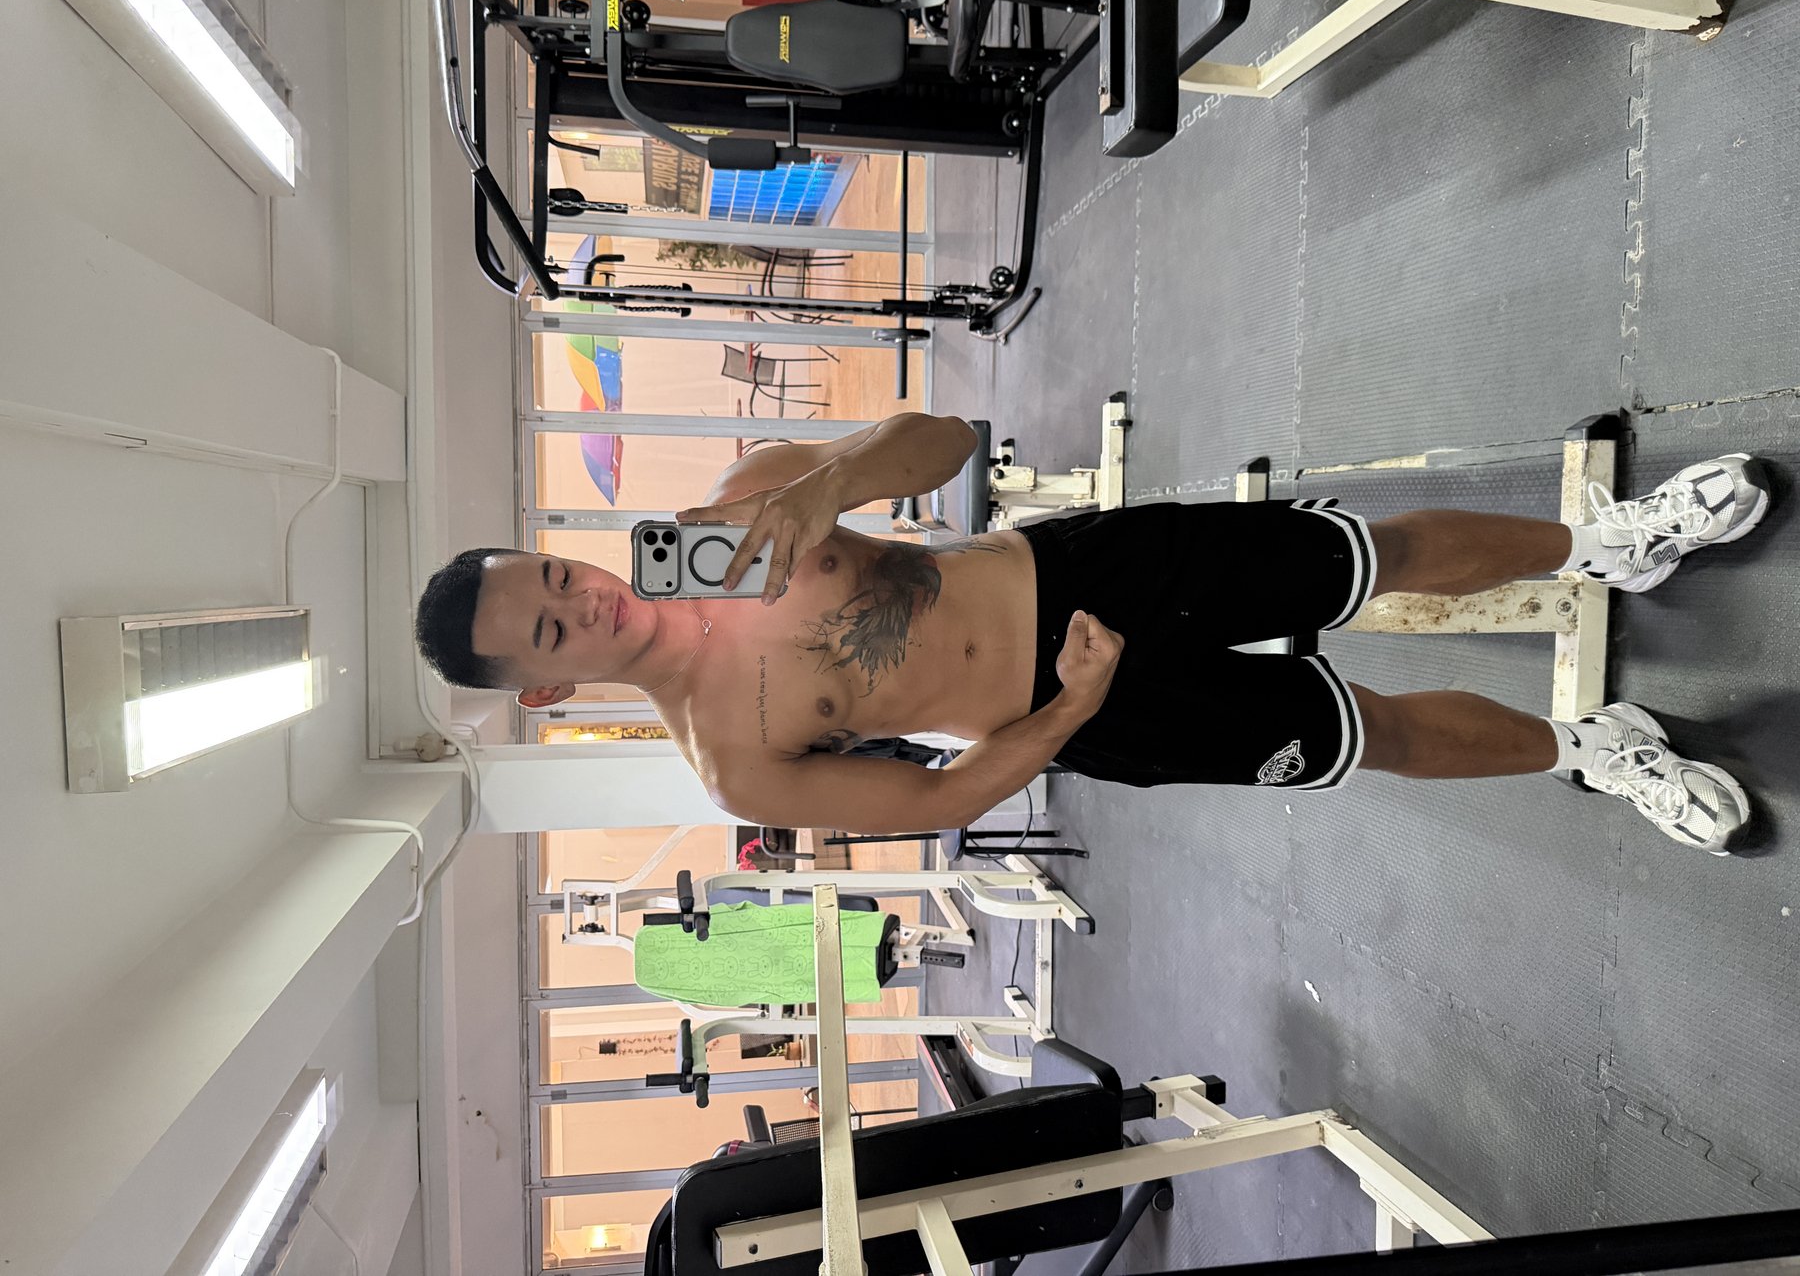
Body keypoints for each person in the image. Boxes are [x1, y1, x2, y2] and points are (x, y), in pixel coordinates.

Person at [414, 412, 1770, 855]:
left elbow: (951, 442)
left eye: (556, 573)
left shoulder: (747, 500)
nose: (586, 600)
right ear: (545, 689)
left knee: (1373, 558)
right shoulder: (732, 764)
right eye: (552, 630)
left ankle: (1610, 541)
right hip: (1081, 708)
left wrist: (833, 482)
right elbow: (936, 800)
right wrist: (1068, 709)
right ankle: (1593, 752)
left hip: (1084, 570)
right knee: (1370, 736)